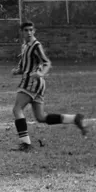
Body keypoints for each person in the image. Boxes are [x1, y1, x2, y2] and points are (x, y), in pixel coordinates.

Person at [11, 21, 88, 151]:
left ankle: (26, 144)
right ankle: (75, 119)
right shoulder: (25, 45)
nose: (29, 32)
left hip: (31, 83)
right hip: (37, 85)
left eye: (31, 30)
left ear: (34, 31)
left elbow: (47, 63)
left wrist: (41, 73)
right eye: (26, 30)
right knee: (41, 117)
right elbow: (25, 65)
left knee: (17, 109)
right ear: (22, 32)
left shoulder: (36, 45)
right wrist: (18, 70)